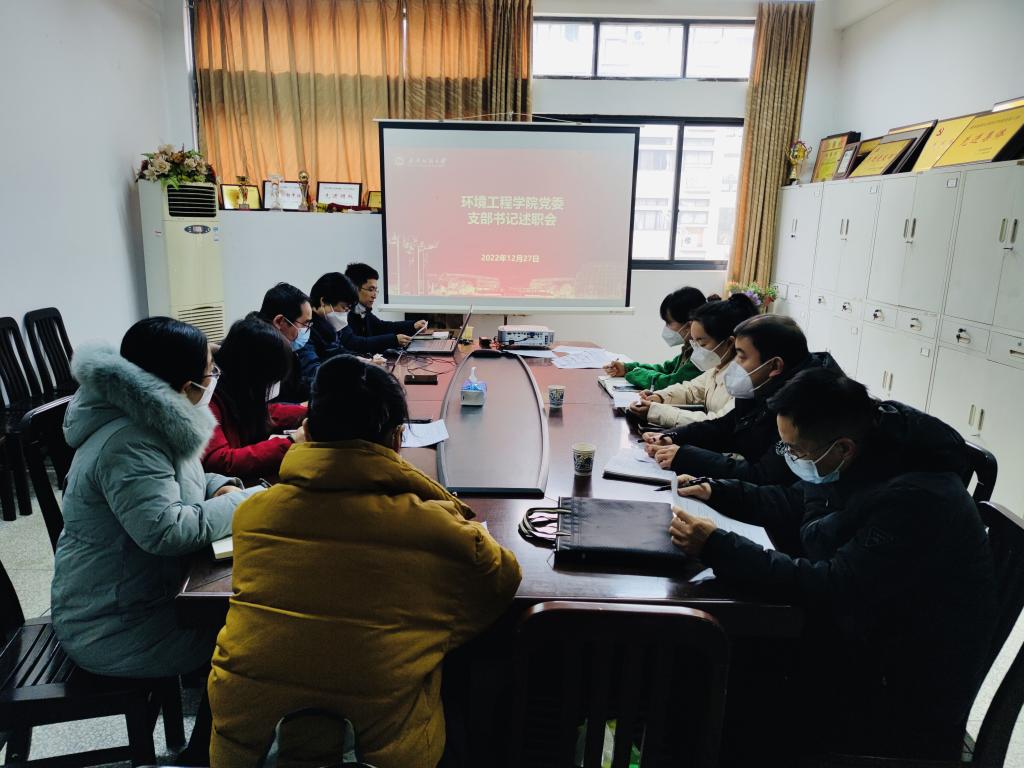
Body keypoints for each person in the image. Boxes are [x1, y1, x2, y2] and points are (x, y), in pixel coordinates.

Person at [208, 355, 522, 768]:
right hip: (374, 756)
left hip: (249, 752)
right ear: (397, 439)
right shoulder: (435, 527)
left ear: (307, 431)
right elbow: (501, 581)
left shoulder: (253, 513)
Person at [668, 368, 996, 759]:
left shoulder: (918, 499)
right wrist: (717, 490)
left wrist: (720, 546)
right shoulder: (872, 451)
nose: (790, 457)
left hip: (895, 688)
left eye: (796, 451)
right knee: (705, 667)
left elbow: (832, 586)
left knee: (717, 678)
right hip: (861, 639)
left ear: (843, 448)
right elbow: (798, 500)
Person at [51, 318, 260, 761]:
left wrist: (220, 486)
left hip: (139, 598)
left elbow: (182, 483)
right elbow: (166, 530)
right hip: (114, 624)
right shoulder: (131, 440)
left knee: (251, 622)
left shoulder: (149, 417)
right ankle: (204, 756)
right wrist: (251, 502)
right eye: (209, 372)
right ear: (184, 386)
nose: (214, 379)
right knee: (252, 639)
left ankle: (211, 747)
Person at [646, 314, 841, 487]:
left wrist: (687, 457)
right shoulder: (761, 385)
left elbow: (764, 475)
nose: (734, 365)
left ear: (775, 366)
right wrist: (673, 436)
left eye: (741, 357)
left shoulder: (802, 405)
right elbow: (727, 426)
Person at [203, 318, 307, 486]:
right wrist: (290, 442)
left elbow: (265, 411)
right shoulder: (209, 398)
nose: (273, 387)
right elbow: (221, 461)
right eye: (271, 381)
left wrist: (308, 411)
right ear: (255, 373)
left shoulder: (238, 388)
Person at [629, 293, 757, 428]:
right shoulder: (716, 368)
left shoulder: (743, 381)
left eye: (702, 344)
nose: (696, 350)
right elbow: (690, 390)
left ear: (730, 343)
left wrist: (657, 412)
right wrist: (660, 397)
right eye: (694, 343)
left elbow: (717, 423)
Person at [602, 286, 715, 390]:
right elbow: (666, 369)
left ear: (688, 325)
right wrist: (627, 368)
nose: (666, 328)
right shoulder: (690, 347)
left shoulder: (703, 355)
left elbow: (671, 383)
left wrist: (635, 373)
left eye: (669, 323)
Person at [340, 262, 427, 354]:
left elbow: (382, 327)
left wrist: (413, 325)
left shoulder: (362, 311)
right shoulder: (342, 313)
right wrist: (393, 340)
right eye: (371, 289)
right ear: (355, 288)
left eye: (375, 290)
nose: (374, 295)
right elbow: (355, 343)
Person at [255, 282, 316, 402]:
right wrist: (302, 409)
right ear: (279, 321)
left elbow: (294, 386)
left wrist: (325, 384)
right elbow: (268, 407)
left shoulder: (283, 347)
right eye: (305, 324)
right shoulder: (258, 355)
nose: (307, 330)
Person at [308, 271, 360, 361]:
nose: (344, 314)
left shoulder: (327, 325)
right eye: (343, 307)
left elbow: (338, 351)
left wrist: (362, 360)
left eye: (347, 310)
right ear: (323, 301)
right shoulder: (306, 328)